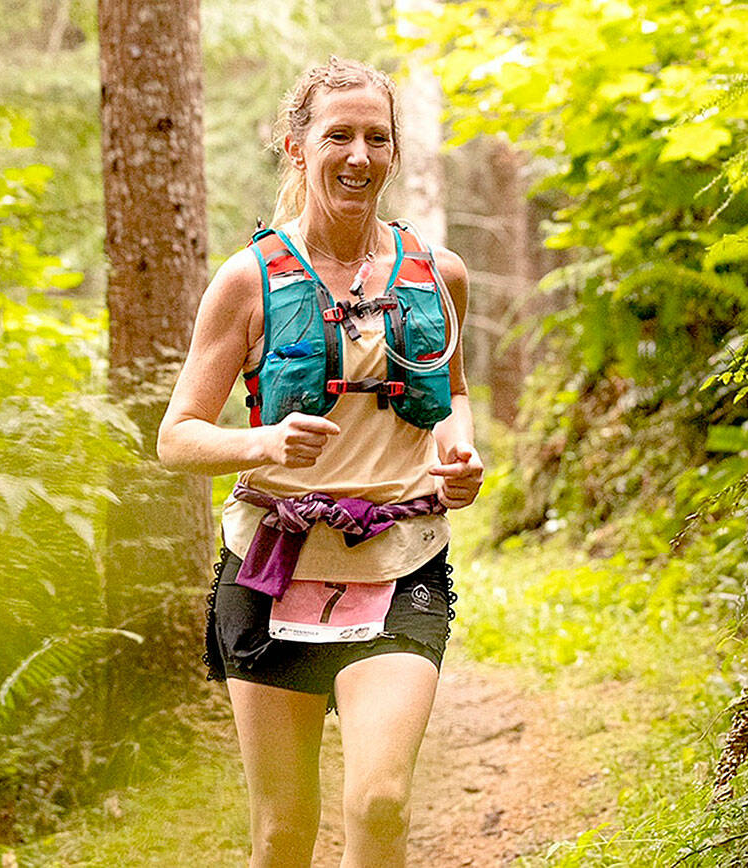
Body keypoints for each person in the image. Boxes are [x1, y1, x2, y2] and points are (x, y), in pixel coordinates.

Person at [157, 57, 483, 868]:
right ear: (298, 148)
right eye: (338, 135)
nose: (359, 155)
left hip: (401, 560)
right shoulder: (247, 281)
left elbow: (456, 391)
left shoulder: (438, 274)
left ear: (395, 151)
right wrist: (261, 442)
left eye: (377, 137)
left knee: (379, 804)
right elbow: (177, 437)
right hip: (271, 567)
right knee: (282, 832)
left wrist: (458, 451)